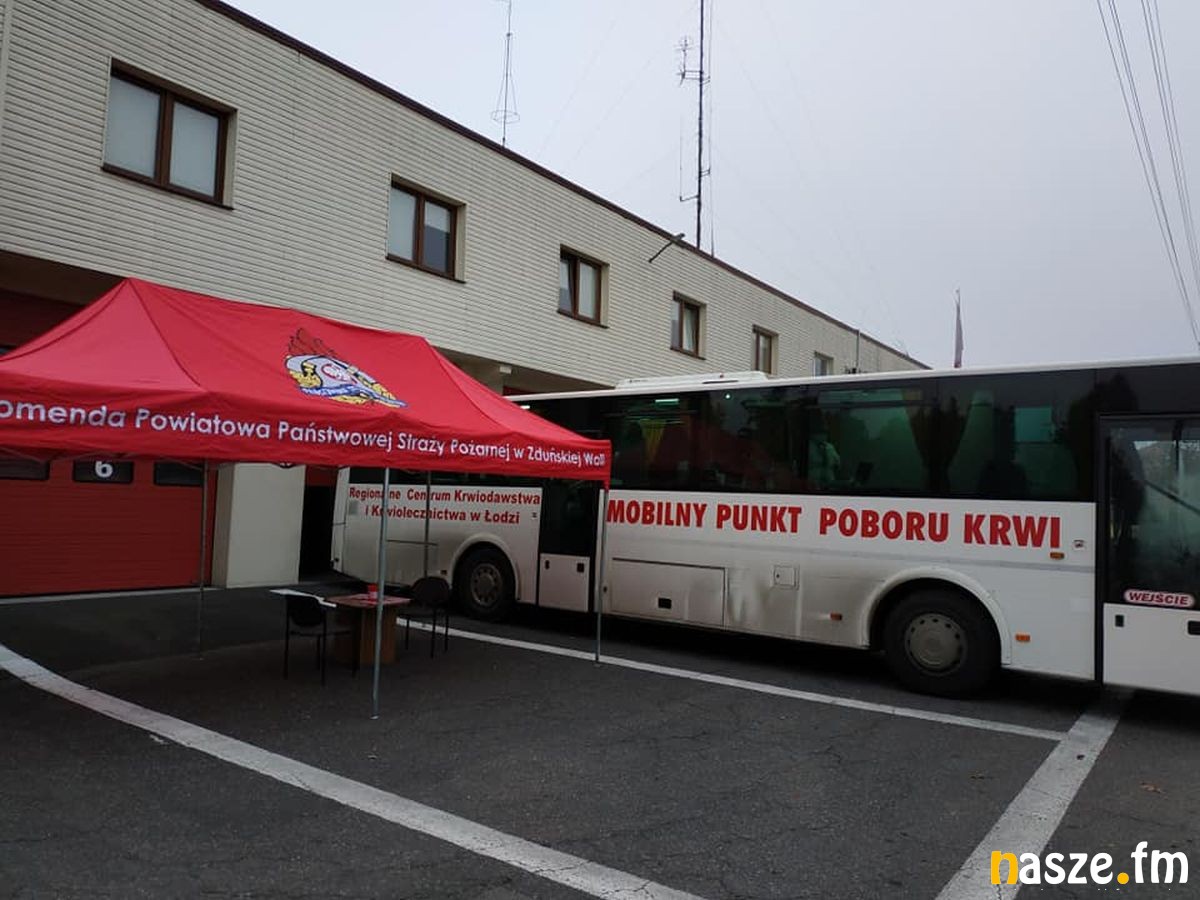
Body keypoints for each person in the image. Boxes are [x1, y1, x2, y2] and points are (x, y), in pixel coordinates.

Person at [808, 425, 841, 489]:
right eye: (820, 433)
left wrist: (835, 464)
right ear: (813, 434)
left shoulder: (830, 447)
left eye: (825, 433)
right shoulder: (808, 447)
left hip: (829, 481)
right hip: (813, 483)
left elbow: (837, 463)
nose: (823, 436)